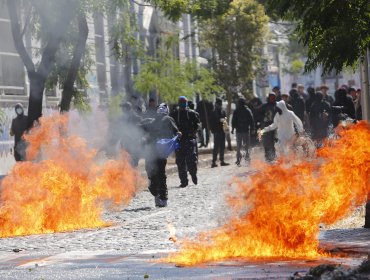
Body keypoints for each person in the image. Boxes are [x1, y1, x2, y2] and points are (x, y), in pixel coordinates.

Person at [142, 103, 179, 207]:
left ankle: (163, 198)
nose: (161, 110)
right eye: (160, 108)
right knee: (151, 174)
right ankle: (156, 193)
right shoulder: (152, 121)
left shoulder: (168, 119)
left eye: (163, 108)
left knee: (161, 174)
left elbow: (176, 130)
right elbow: (143, 128)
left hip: (161, 151)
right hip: (151, 152)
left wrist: (178, 134)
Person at [170, 96, 200, 188]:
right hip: (179, 141)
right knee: (180, 162)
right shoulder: (174, 114)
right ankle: (184, 181)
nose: (183, 105)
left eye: (184, 103)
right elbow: (170, 125)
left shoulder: (191, 114)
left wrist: (194, 132)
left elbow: (198, 125)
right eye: (181, 103)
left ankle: (193, 175)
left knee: (192, 161)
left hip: (189, 140)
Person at [231, 98, 254, 166]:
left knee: (239, 146)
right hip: (244, 131)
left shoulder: (237, 110)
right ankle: (245, 159)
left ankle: (239, 159)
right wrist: (253, 128)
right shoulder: (247, 110)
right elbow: (251, 120)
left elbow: (233, 121)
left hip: (240, 131)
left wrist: (232, 129)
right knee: (246, 146)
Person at [120, 101, 143, 167]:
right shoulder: (123, 118)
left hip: (134, 145)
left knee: (132, 165)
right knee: (126, 164)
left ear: (127, 108)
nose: (122, 109)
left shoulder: (136, 118)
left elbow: (141, 130)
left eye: (123, 108)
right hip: (126, 144)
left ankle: (133, 176)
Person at [210, 97, 230, 168]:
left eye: (220, 104)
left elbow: (225, 120)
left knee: (222, 146)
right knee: (216, 147)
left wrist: (225, 123)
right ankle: (213, 162)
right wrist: (212, 129)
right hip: (216, 132)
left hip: (222, 131)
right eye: (218, 104)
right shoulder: (213, 112)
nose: (219, 105)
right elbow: (211, 122)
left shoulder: (223, 111)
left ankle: (222, 161)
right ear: (216, 104)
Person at [260, 93, 279, 162]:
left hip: (275, 127)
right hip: (266, 126)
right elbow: (258, 114)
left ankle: (273, 157)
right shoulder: (264, 106)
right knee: (266, 142)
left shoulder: (277, 106)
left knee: (274, 142)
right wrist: (262, 120)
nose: (272, 99)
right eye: (271, 97)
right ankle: (267, 157)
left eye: (273, 97)